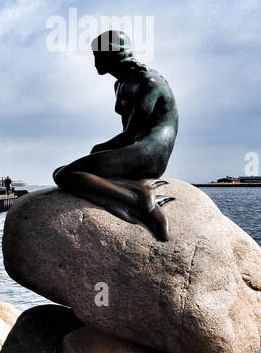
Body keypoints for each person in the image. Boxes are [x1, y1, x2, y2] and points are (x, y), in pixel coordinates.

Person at [52, 30, 179, 241]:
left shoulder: (149, 83)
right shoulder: (120, 84)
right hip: (135, 149)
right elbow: (127, 134)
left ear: (112, 55)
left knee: (66, 175)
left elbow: (132, 135)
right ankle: (132, 189)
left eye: (98, 56)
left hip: (151, 154)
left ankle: (139, 201)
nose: (94, 63)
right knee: (61, 172)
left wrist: (98, 150)